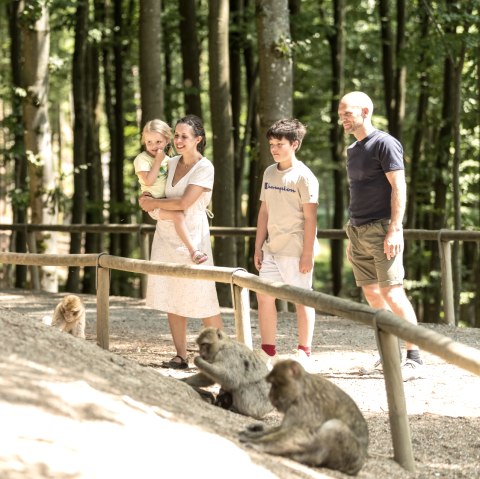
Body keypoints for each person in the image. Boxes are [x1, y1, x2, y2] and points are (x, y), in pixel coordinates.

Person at [338, 91, 424, 381]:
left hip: (382, 228)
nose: (342, 118)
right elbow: (357, 192)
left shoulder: (385, 143)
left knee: (392, 291)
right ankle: (390, 354)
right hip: (358, 230)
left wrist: (395, 228)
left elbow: (399, 187)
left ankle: (415, 359)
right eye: (341, 113)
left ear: (364, 111)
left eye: (347, 112)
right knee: (373, 293)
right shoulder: (353, 150)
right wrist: (352, 236)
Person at [139, 115, 223, 369]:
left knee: (203, 294)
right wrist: (151, 204)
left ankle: (224, 354)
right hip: (165, 234)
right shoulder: (169, 162)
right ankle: (180, 355)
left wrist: (154, 204)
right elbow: (150, 189)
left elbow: (184, 203)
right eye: (175, 135)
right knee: (171, 294)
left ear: (198, 139)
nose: (178, 140)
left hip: (193, 236)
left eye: (184, 136)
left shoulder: (204, 167)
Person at [254, 119, 319, 371]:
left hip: (296, 249)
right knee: (264, 297)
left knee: (301, 299)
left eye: (280, 144)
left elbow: (311, 218)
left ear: (295, 144)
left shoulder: (305, 177)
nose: (274, 149)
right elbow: (264, 211)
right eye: (271, 144)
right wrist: (258, 245)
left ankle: (304, 352)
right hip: (271, 248)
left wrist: (307, 253)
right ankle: (267, 351)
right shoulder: (269, 172)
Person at [134, 119, 208, 264]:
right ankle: (194, 251)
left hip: (164, 203)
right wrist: (157, 161)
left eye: (158, 142)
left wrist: (161, 160)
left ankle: (193, 251)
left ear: (166, 140)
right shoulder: (142, 159)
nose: (154, 146)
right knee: (178, 216)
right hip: (154, 205)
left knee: (178, 216)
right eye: (149, 142)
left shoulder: (170, 161)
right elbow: (148, 181)